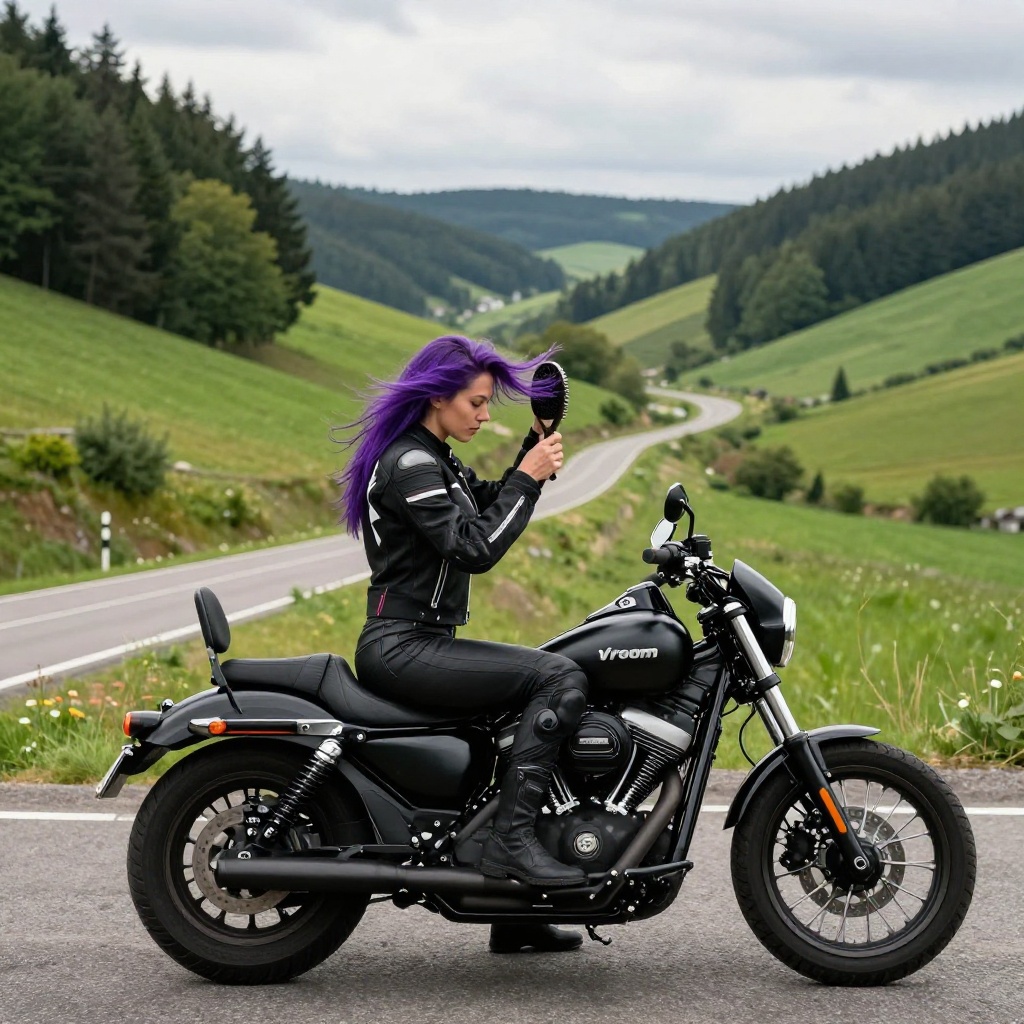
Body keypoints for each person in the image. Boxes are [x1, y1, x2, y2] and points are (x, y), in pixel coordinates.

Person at [336, 335, 588, 954]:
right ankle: (511, 846)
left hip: (421, 640)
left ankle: (513, 911)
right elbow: (474, 547)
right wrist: (529, 479)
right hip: (403, 646)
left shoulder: (434, 457)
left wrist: (534, 447)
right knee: (559, 678)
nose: (482, 415)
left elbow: (486, 504)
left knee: (517, 711)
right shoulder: (411, 464)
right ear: (438, 397)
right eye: (475, 403)